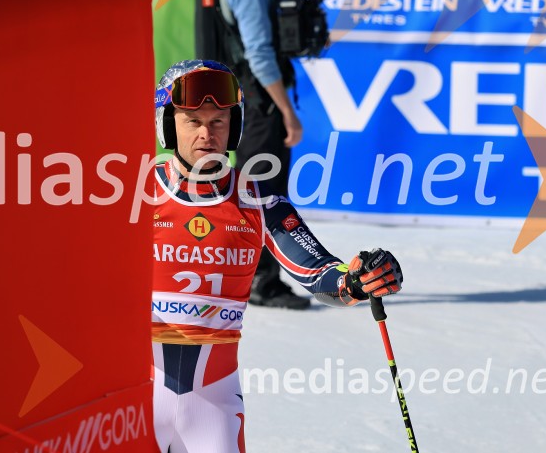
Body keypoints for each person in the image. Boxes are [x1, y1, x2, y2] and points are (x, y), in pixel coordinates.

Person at [152, 59, 404, 453]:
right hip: (134, 400)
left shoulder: (258, 200)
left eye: (218, 121)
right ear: (168, 126)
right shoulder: (134, 197)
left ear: (234, 127)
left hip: (213, 405)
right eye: (192, 121)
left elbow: (320, 273)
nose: (206, 134)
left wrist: (356, 280)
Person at [213, 0, 308, 309]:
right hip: (258, 101)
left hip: (247, 97)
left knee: (255, 191)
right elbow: (259, 53)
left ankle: (251, 278)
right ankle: (261, 282)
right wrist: (286, 110)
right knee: (265, 193)